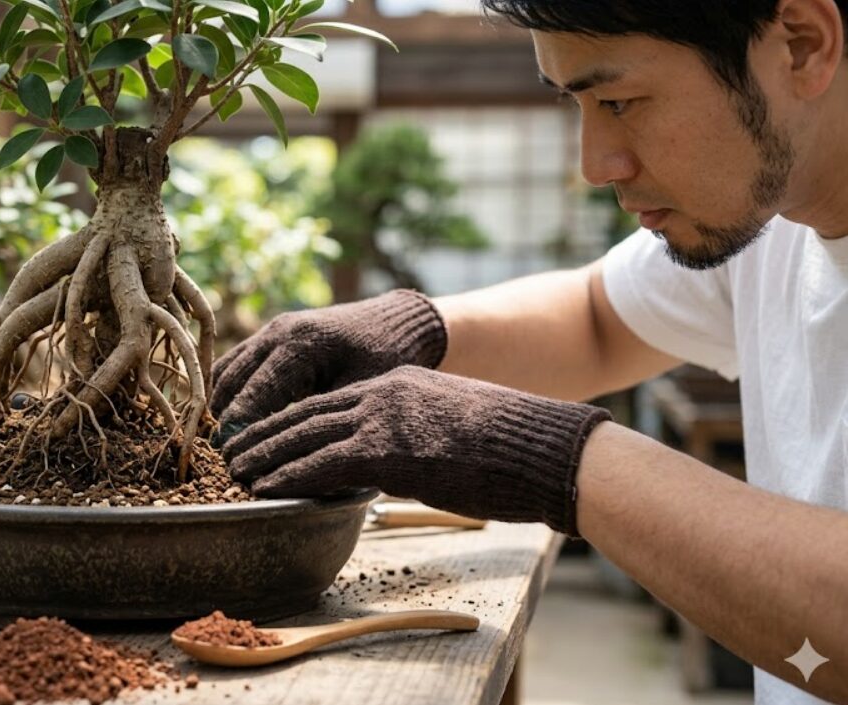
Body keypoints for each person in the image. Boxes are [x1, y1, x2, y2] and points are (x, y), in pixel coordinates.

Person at [211, 1, 848, 702]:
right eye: (578, 105)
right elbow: (596, 319)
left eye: (619, 100)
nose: (595, 164)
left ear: (799, 44)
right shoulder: (768, 222)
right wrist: (416, 328)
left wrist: (548, 457)